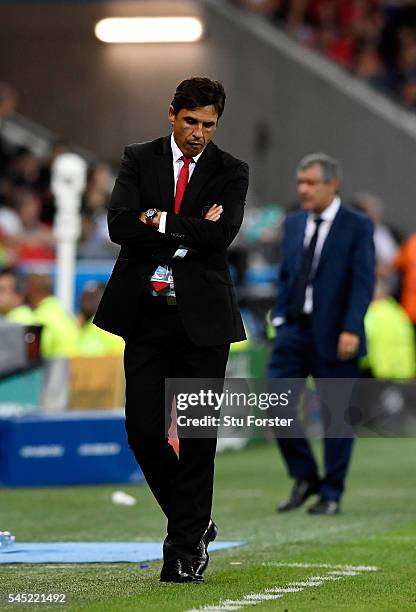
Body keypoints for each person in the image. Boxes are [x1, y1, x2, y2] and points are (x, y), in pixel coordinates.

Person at [93, 77, 249, 582]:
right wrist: (186, 227)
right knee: (143, 431)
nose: (199, 133)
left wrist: (157, 222)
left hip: (204, 323)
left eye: (208, 125)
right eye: (191, 122)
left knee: (197, 439)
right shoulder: (139, 158)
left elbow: (221, 236)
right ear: (172, 114)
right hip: (146, 316)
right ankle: (196, 522)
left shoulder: (231, 171)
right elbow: (120, 224)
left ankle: (183, 551)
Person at [268, 153, 375, 515]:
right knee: (275, 403)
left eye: (311, 183)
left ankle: (331, 493)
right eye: (300, 182)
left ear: (333, 184)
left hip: (336, 333)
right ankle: (306, 475)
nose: (303, 189)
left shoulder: (357, 225)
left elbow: (363, 281)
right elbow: (286, 274)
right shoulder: (294, 223)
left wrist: (352, 328)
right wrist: (280, 317)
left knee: (336, 416)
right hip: (294, 329)